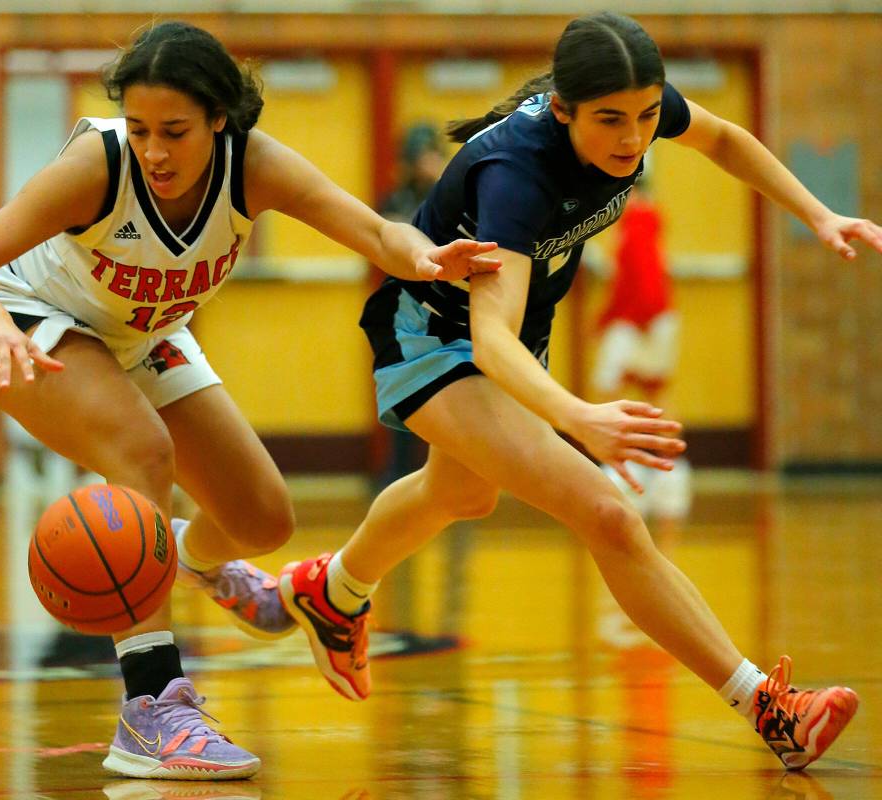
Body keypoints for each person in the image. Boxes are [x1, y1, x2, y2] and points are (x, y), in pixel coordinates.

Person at [274, 11, 882, 771]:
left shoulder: (635, 111)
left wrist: (818, 212)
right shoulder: (514, 177)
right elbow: (488, 341)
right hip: (432, 336)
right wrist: (575, 417)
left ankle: (333, 591)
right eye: (610, 121)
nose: (633, 138)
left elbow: (725, 140)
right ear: (562, 109)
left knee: (459, 493)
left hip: (507, 338)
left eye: (648, 116)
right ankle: (769, 707)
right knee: (608, 512)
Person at [0, 20, 498, 781]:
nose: (153, 151)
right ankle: (153, 708)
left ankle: (186, 560)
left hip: (133, 332)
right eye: (139, 129)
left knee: (261, 517)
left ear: (220, 118)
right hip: (17, 317)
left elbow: (368, 228)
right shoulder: (97, 166)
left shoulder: (254, 166)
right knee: (142, 451)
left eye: (174, 131)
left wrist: (424, 258)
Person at [591, 177, 691, 520]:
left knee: (610, 390)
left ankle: (620, 466)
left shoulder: (639, 218)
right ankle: (668, 468)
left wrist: (632, 318)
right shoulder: (647, 220)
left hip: (641, 319)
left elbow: (643, 275)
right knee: (655, 392)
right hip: (651, 317)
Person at [377, 123, 449, 485]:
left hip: (446, 309)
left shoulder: (449, 196)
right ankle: (398, 471)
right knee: (402, 393)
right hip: (402, 310)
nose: (429, 162)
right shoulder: (395, 200)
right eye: (423, 156)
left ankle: (448, 469)